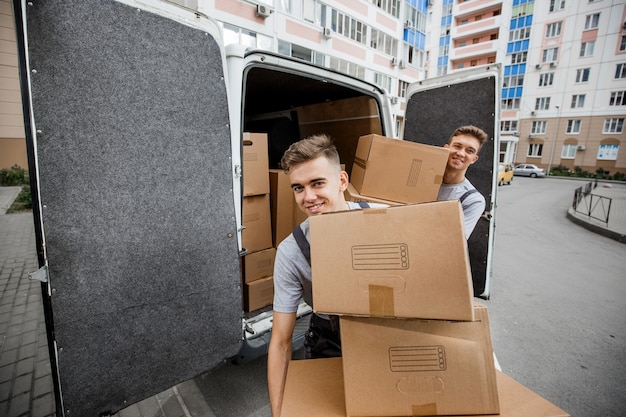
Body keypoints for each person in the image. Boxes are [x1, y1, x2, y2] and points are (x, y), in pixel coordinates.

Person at [267, 133, 384, 417]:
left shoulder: (384, 219)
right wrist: (280, 410)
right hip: (329, 339)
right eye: (298, 188)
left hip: (385, 335)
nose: (308, 197)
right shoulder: (291, 251)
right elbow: (281, 342)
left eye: (317, 183)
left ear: (342, 181)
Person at [437, 125, 487, 239]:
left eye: (470, 151)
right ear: (446, 148)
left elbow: (455, 241)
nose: (461, 153)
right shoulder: (421, 180)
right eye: (457, 146)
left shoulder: (473, 200)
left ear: (474, 159)